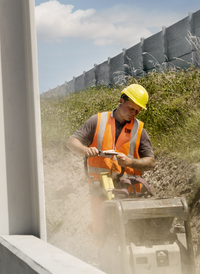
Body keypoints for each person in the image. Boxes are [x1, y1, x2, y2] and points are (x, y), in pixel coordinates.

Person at [66, 83, 155, 244]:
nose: (133, 113)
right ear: (121, 101)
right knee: (101, 234)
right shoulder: (97, 121)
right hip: (100, 190)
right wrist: (85, 150)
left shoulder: (139, 130)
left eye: (137, 110)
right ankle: (102, 257)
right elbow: (72, 142)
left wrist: (130, 162)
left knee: (130, 236)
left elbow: (151, 162)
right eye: (131, 108)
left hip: (129, 193)